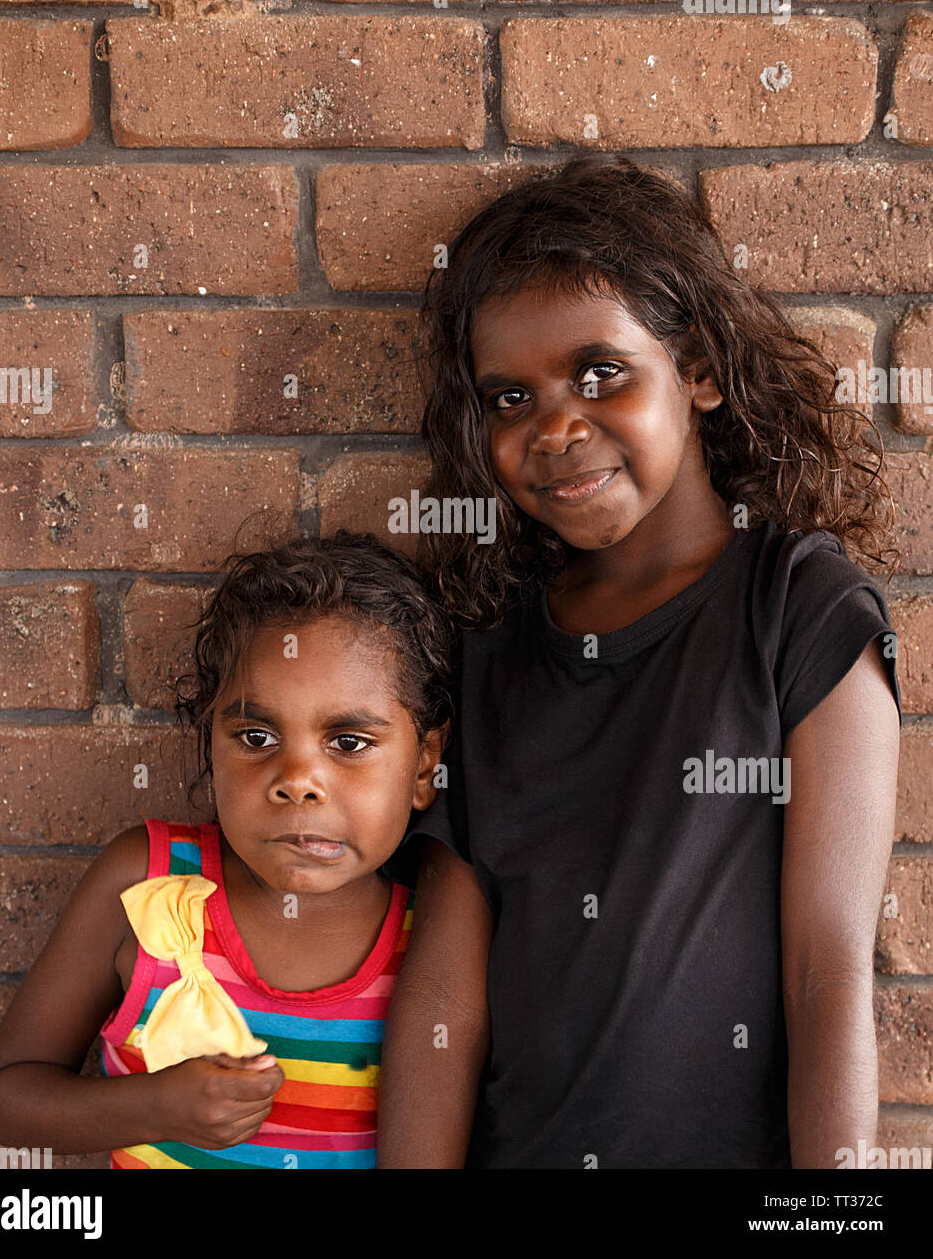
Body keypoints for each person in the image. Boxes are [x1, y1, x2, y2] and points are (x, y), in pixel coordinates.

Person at [376, 153, 902, 1169]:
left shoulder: (796, 606)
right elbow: (445, 997)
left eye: (599, 372)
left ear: (697, 368)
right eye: (508, 399)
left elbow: (825, 966)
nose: (556, 427)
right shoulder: (489, 647)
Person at [0, 531, 453, 1169]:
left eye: (349, 742)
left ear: (424, 766)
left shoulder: (434, 940)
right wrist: (156, 1107)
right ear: (211, 745)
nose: (297, 781)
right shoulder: (149, 885)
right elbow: (3, 1099)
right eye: (255, 735)